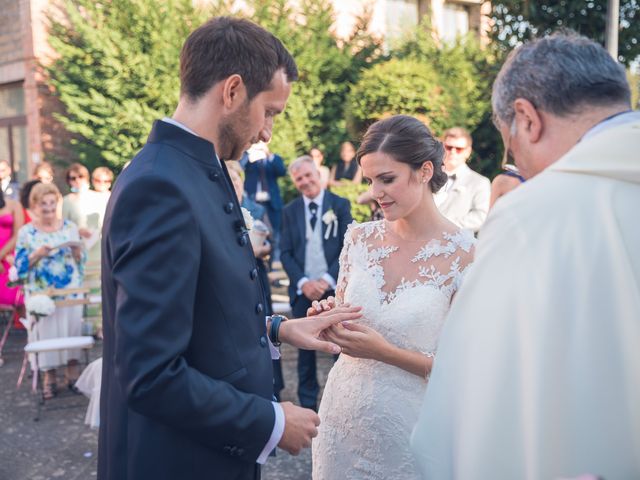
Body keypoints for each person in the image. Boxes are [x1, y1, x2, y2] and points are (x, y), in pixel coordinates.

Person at [98, 17, 361, 480]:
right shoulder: (160, 186)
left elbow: (199, 308)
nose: (267, 132)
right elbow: (151, 374)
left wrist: (278, 328)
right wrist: (272, 421)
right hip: (178, 463)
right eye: (271, 111)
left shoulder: (196, 168)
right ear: (233, 91)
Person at [411, 32, 640, 480]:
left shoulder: (533, 215)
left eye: (510, 145)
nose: (518, 163)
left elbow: (472, 402)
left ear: (526, 120)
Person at [312, 115, 475, 479]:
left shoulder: (466, 255)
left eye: (387, 179)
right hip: (340, 422)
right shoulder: (359, 239)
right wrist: (328, 318)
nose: (375, 192)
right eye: (370, 181)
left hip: (413, 430)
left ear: (424, 170)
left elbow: (467, 367)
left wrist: (383, 352)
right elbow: (344, 313)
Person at [280, 155, 352, 411]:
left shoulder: (339, 204)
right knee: (304, 351)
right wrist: (303, 282)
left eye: (308, 175)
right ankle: (308, 404)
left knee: (338, 345)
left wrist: (326, 280)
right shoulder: (289, 211)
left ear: (318, 174)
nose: (305, 181)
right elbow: (285, 252)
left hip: (334, 288)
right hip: (303, 292)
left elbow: (347, 245)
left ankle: (339, 402)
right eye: (299, 178)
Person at [15, 183, 86, 399]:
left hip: (69, 290)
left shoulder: (70, 227)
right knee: (46, 334)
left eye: (52, 202)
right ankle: (50, 377)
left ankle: (73, 374)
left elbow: (81, 260)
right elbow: (19, 266)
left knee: (71, 329)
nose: (48, 208)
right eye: (43, 203)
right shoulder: (27, 232)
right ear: (35, 205)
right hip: (41, 293)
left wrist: (76, 251)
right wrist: (36, 254)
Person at [227, 160, 284, 401]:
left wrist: (261, 249)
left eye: (237, 180)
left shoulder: (255, 210)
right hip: (230, 278)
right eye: (229, 181)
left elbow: (270, 241)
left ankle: (274, 385)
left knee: (268, 328)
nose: (234, 185)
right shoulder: (217, 209)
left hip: (256, 274)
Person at [433, 127, 490, 232]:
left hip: (455, 243)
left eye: (459, 149)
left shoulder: (480, 182)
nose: (453, 152)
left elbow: (480, 217)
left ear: (468, 152)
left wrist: (445, 224)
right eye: (449, 147)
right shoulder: (428, 176)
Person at [241, 141, 287, 262]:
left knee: (275, 236)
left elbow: (282, 171)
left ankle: (274, 265)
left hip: (271, 205)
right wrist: (249, 153)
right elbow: (239, 166)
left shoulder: (273, 158)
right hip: (254, 204)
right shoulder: (249, 157)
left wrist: (268, 153)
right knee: (254, 234)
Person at [62, 163, 107, 264]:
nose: (77, 180)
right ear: (69, 181)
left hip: (98, 248)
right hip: (78, 249)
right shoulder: (66, 201)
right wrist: (77, 231)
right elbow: (63, 226)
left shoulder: (98, 197)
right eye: (73, 178)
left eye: (80, 176)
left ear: (86, 177)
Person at [0, 189, 24, 306]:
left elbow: (18, 235)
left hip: (8, 256)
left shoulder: (14, 205)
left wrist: (0, 256)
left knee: (16, 300)